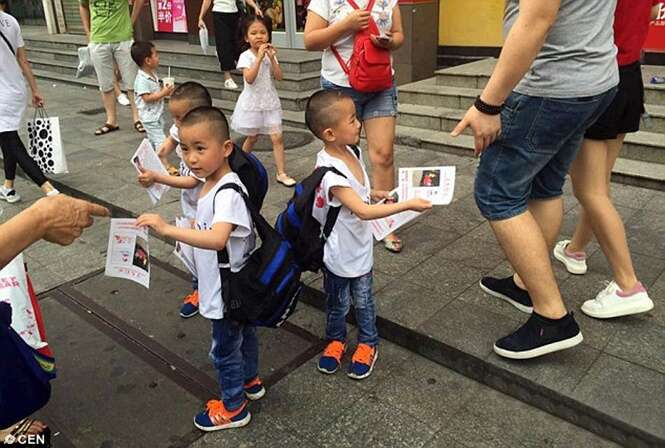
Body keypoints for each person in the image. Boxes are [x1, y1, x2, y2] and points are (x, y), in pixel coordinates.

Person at [451, 0, 618, 359]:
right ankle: (525, 285)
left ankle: (552, 316)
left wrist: (488, 105)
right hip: (592, 79)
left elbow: (536, 21)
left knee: (496, 194)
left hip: (551, 86)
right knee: (545, 184)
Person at [137, 107, 264, 431]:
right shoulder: (209, 182)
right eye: (185, 148)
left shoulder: (227, 191)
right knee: (244, 336)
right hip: (228, 284)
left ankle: (234, 407)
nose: (191, 158)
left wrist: (167, 230)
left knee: (223, 350)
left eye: (200, 148)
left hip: (226, 291)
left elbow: (219, 238)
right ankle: (250, 381)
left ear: (225, 149)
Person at [305, 90, 431, 379]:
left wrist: (374, 192)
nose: (359, 123)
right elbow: (362, 211)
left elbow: (358, 194)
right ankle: (336, 340)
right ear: (329, 133)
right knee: (337, 303)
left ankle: (368, 342)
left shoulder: (352, 151)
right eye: (352, 119)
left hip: (359, 248)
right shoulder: (329, 171)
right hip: (337, 253)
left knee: (363, 301)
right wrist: (407, 204)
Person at [552, 1, 661, 319]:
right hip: (629, 79)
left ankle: (628, 284)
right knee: (598, 184)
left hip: (598, 77)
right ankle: (575, 250)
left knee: (589, 190)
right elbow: (652, 12)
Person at [304, 0, 406, 253]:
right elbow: (310, 41)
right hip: (340, 85)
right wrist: (346, 25)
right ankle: (350, 208)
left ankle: (384, 222)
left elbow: (399, 35)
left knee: (383, 155)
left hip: (380, 82)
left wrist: (390, 42)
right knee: (345, 154)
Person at [140, 82, 213, 318]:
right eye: (174, 117)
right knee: (192, 251)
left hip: (206, 207)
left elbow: (192, 181)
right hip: (190, 204)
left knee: (204, 250)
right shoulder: (180, 128)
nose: (176, 123)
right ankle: (199, 289)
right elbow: (168, 143)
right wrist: (157, 156)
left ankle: (209, 290)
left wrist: (159, 176)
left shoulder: (205, 142)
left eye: (179, 118)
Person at [0, 0, 59, 204]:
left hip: (1, 96)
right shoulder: (11, 21)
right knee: (7, 140)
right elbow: (23, 59)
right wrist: (34, 89)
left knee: (11, 143)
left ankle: (49, 189)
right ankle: (8, 187)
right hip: (16, 90)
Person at [231, 15, 295, 187]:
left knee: (277, 137)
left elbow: (279, 77)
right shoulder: (246, 56)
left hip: (270, 100)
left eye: (263, 32)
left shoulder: (269, 54)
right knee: (252, 137)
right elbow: (249, 79)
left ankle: (281, 172)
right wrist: (259, 58)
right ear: (246, 37)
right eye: (253, 33)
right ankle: (238, 165)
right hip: (253, 102)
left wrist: (272, 58)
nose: (259, 36)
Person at [79, 0, 145, 136]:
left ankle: (138, 118)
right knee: (105, 84)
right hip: (98, 40)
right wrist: (88, 32)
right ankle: (111, 120)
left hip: (123, 38)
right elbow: (83, 6)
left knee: (131, 81)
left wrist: (131, 23)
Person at [197, 0, 263, 89]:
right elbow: (207, 1)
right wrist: (201, 17)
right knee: (224, 43)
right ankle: (227, 78)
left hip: (234, 13)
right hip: (219, 13)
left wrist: (255, 7)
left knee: (237, 41)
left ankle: (246, 71)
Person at [131, 41, 174, 151]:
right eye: (156, 55)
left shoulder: (152, 74)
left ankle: (148, 158)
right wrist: (163, 93)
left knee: (153, 139)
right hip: (149, 117)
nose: (158, 57)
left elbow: (155, 92)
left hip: (156, 114)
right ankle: (164, 164)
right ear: (148, 60)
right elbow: (147, 98)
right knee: (161, 141)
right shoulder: (142, 79)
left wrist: (164, 90)